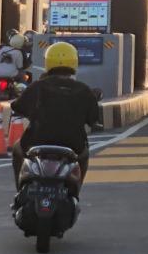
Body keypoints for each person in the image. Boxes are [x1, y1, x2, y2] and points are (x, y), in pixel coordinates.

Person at [11, 42, 101, 189]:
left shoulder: (37, 86)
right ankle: (76, 191)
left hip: (36, 140)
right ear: (74, 61)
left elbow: (18, 107)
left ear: (48, 61)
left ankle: (19, 188)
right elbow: (93, 120)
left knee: (17, 150)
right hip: (73, 143)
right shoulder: (84, 90)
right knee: (84, 156)